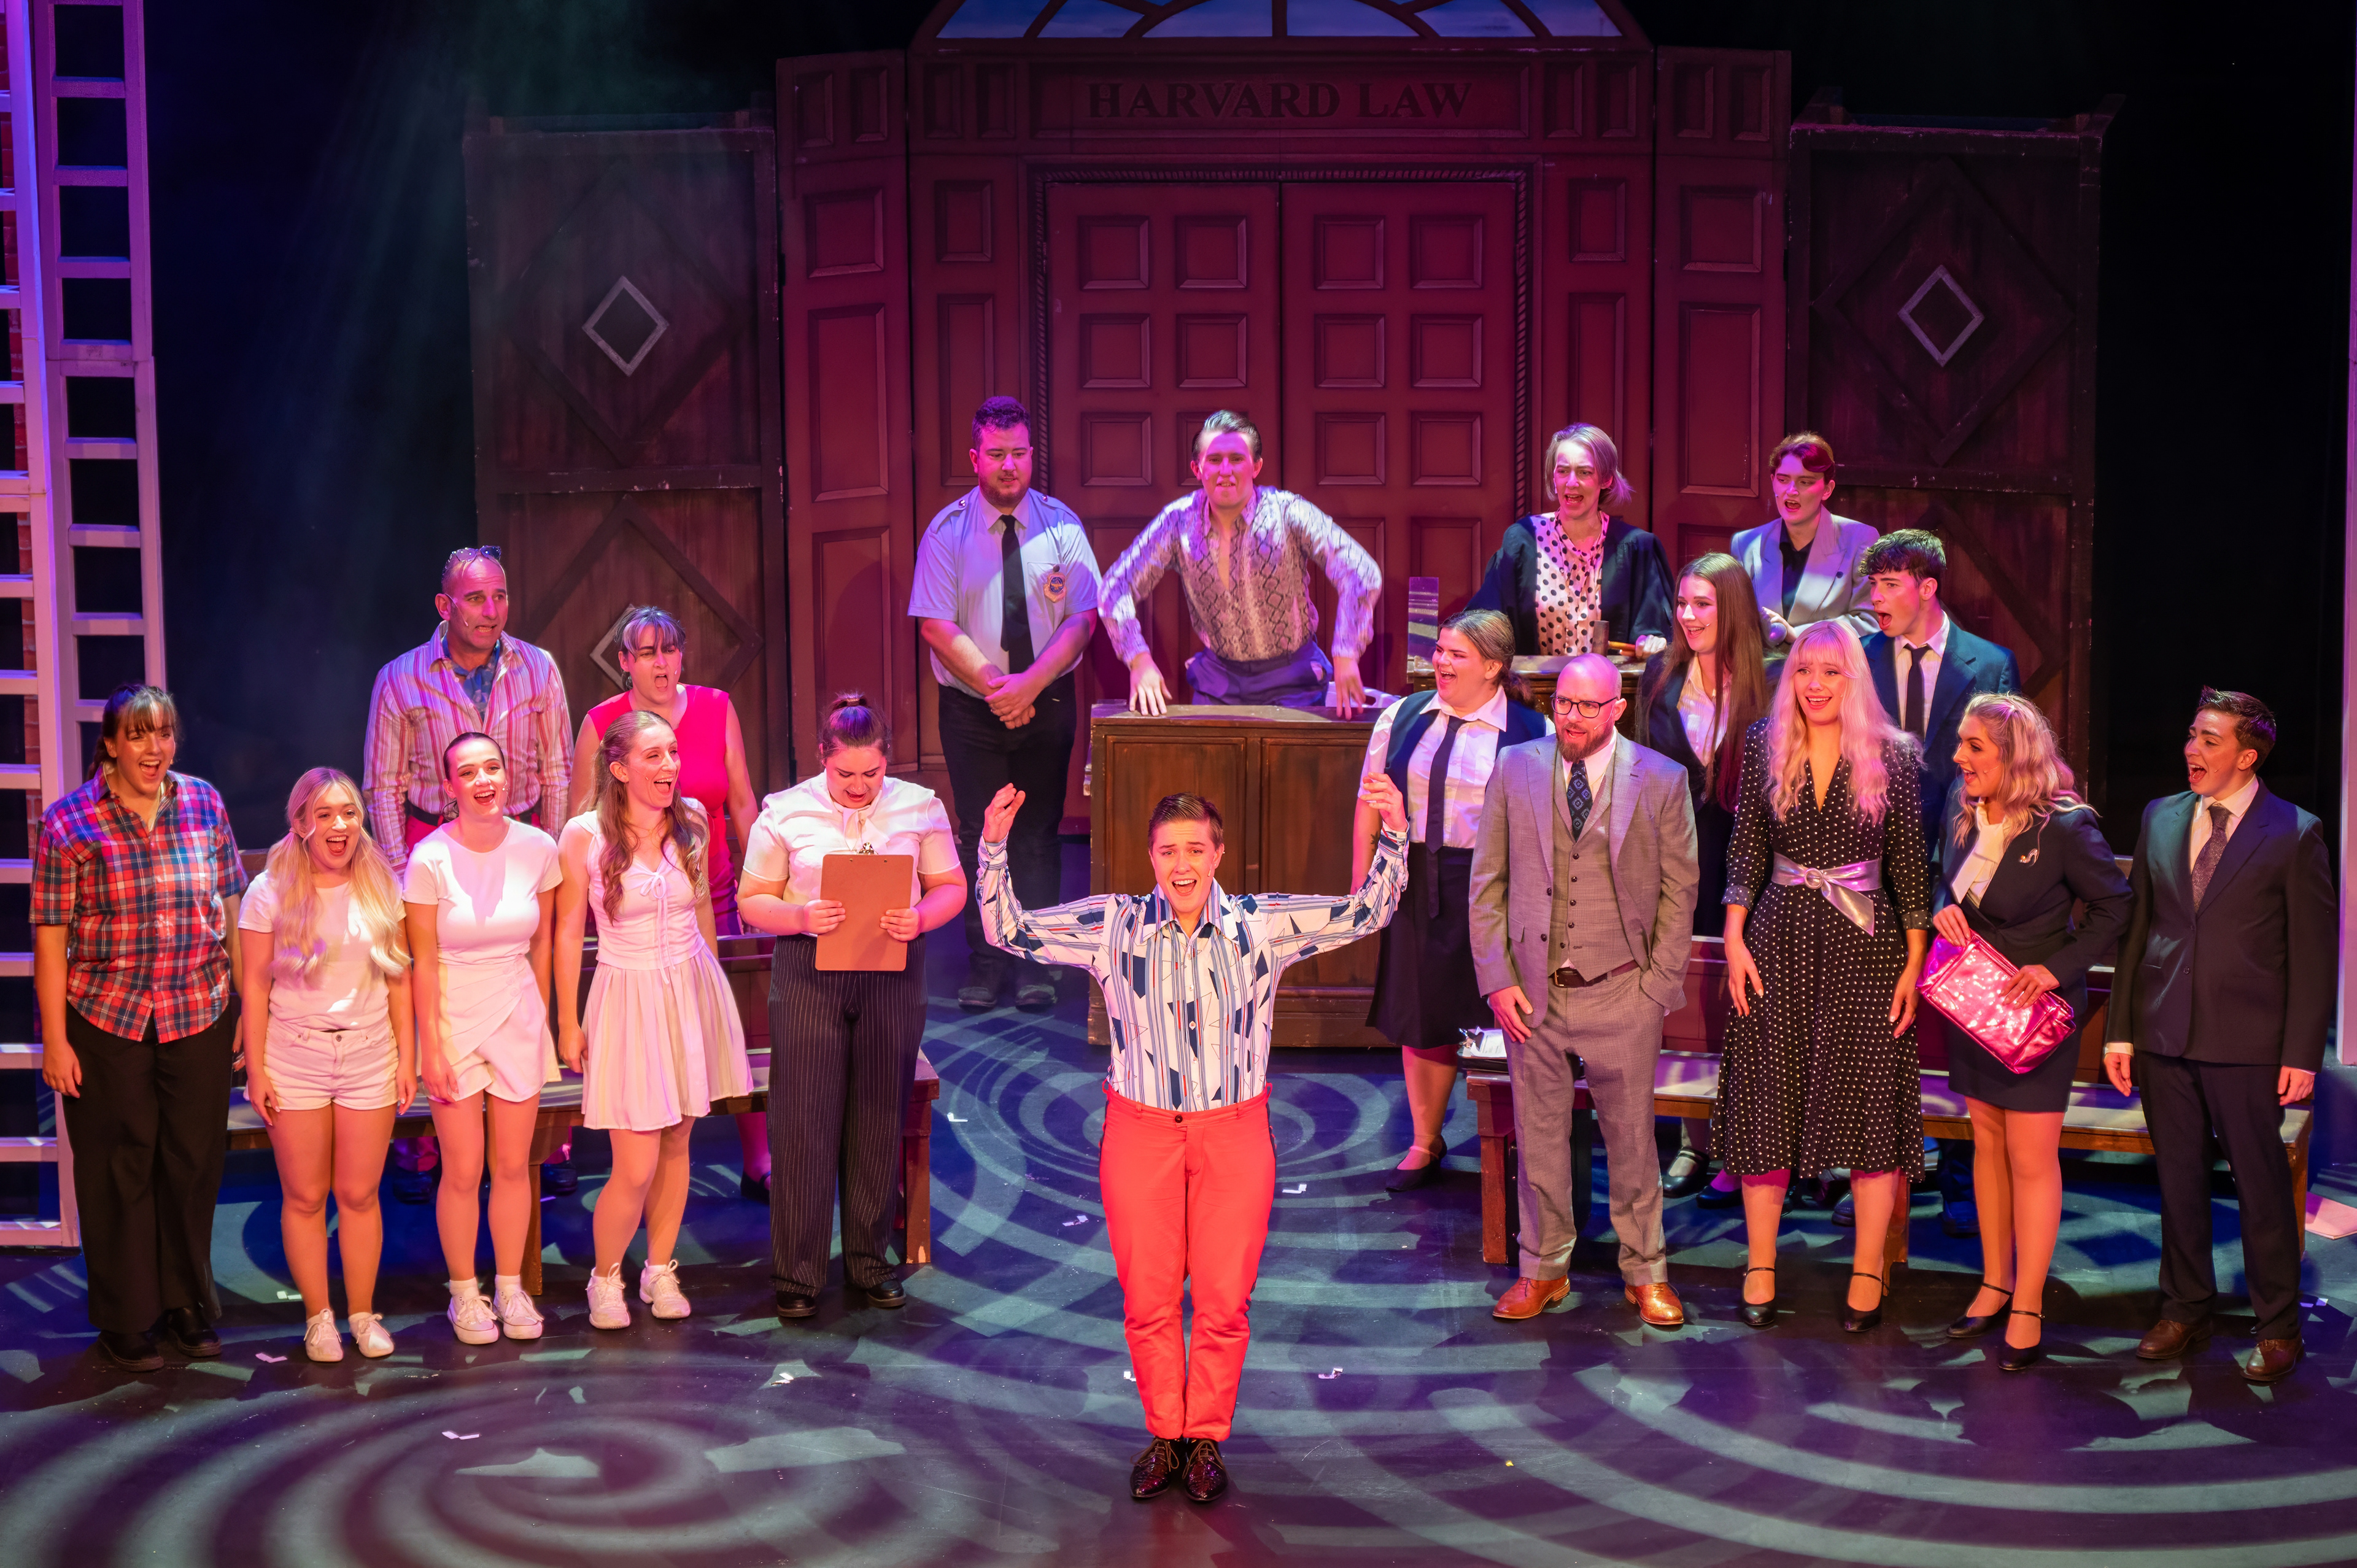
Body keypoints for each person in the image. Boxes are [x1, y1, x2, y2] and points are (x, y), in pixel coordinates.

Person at [979, 779, 1409, 1505]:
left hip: (1233, 1133)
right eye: (1168, 851)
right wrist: (994, 847)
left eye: (1195, 850)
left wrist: (1393, 832)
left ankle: (1204, 1434)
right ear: (1151, 856)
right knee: (1148, 1298)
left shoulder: (1260, 924)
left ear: (1218, 854)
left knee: (1222, 1300)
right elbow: (1009, 931)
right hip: (1140, 1133)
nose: (1182, 864)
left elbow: (1367, 910)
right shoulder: (1114, 923)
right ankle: (1166, 1433)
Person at [2106, 689, 2334, 1385]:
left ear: (2247, 754)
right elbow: (2139, 930)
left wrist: (2301, 1053)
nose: (2191, 750)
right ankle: (2185, 1308)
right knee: (2177, 1183)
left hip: (2248, 1042)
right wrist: (2121, 1033)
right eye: (2192, 735)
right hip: (2164, 1034)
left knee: (2261, 1189)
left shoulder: (2294, 831)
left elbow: (2314, 954)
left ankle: (2278, 1325)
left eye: (2209, 740)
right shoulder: (2162, 815)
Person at [1468, 654, 1699, 1327]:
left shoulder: (1662, 779)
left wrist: (1656, 988)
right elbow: (1486, 882)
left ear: (1617, 709)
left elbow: (1680, 891)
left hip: (1624, 990)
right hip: (1534, 995)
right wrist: (1498, 978)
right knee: (1540, 1139)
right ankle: (1542, 1269)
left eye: (1587, 706)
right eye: (1564, 703)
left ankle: (1646, 1272)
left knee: (1632, 1143)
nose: (1572, 717)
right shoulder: (1515, 768)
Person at [1715, 619, 1930, 1332]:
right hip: (1778, 939)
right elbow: (1746, 848)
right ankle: (1761, 1263)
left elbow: (1910, 867)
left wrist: (1914, 962)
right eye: (1804, 670)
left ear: (1853, 679)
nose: (1814, 684)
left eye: (1831, 671)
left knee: (1869, 1105)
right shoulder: (1764, 742)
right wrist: (1734, 936)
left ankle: (1868, 1266)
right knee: (1768, 1098)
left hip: (1866, 946)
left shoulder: (1894, 755)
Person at [34, 685, 246, 1373]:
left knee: (192, 1160)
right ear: (110, 744)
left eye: (165, 733)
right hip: (107, 1012)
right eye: (139, 734)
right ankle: (126, 1315)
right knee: (119, 1163)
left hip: (197, 1007)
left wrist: (246, 1004)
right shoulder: (70, 821)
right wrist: (55, 1039)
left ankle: (186, 1303)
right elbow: (51, 939)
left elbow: (232, 905)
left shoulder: (203, 802)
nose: (155, 748)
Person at [738, 694, 967, 1322]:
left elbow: (950, 887)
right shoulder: (786, 811)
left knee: (877, 1115)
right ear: (823, 757)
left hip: (891, 972)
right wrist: (800, 916)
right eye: (846, 774)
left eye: (872, 772)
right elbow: (752, 899)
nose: (860, 786)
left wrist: (921, 917)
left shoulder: (919, 806)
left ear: (887, 760)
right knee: (805, 1120)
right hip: (810, 973)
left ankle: (870, 1260)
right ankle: (798, 1273)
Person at [363, 546, 573, 1202]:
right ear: (445, 604)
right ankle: (425, 1143)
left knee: (525, 968)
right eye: (477, 598)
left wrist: (550, 859)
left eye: (500, 596)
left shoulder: (537, 666)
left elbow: (556, 771)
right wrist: (402, 877)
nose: (491, 610)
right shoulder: (401, 677)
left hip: (516, 837)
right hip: (434, 839)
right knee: (433, 976)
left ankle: (546, 1142)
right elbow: (385, 783)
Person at [1930, 695, 2130, 1372]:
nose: (1959, 757)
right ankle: (1995, 1281)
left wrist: (2057, 968)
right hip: (1976, 1005)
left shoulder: (2065, 825)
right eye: (1961, 743)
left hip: (2035, 1014)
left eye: (1975, 746)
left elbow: (2115, 907)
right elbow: (1943, 876)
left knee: (2031, 1156)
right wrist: (1943, 909)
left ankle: (2029, 1301)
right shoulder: (1961, 806)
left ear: (2013, 754)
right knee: (1985, 1141)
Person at [554, 711, 751, 1330]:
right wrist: (567, 1019)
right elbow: (567, 931)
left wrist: (714, 994)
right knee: (634, 1163)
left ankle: (660, 1267)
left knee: (677, 1143)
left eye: (673, 753)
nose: (670, 765)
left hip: (690, 988)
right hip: (627, 994)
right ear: (619, 768)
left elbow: (702, 907)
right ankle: (605, 1275)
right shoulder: (584, 835)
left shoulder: (691, 819)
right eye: (654, 755)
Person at [571, 604, 769, 1203]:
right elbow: (582, 818)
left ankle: (757, 1155)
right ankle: (639, 1157)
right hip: (632, 906)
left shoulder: (715, 707)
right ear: (625, 662)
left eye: (671, 649)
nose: (661, 662)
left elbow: (742, 801)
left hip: (711, 893)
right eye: (647, 652)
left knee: (735, 1019)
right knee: (646, 1032)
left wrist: (764, 883)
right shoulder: (602, 722)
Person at [910, 396, 1100, 1014]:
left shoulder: (1063, 526)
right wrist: (1000, 684)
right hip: (973, 708)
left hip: (1048, 701)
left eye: (1019, 452)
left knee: (1040, 833)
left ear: (1031, 455)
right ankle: (988, 962)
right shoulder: (947, 531)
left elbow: (1083, 619)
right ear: (975, 458)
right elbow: (935, 624)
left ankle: (1036, 962)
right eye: (997, 454)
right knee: (980, 833)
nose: (1009, 464)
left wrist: (1031, 684)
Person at [1857, 527, 2019, 1238]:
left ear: (1927, 588)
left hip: (1958, 866)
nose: (1877, 598)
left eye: (1890, 585)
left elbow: (2002, 772)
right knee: (1876, 1021)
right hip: (1872, 867)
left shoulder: (1991, 663)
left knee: (1960, 1018)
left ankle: (1958, 1178)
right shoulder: (1859, 657)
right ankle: (1876, 1170)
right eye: (1873, 585)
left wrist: (1965, 869)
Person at [1353, 608, 1549, 1189]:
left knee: (1508, 1018)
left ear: (1492, 667)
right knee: (1425, 1014)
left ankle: (1516, 1146)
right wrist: (1364, 889)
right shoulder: (1401, 717)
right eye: (1439, 650)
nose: (1440, 661)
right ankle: (1425, 1140)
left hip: (1499, 884)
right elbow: (1368, 804)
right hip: (1418, 877)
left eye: (1456, 654)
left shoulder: (1533, 730)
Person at [238, 768, 418, 1363]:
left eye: (349, 812)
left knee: (360, 1194)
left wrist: (408, 1058)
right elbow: (255, 985)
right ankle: (319, 1319)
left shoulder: (380, 881)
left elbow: (399, 978)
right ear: (301, 823)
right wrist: (257, 1071)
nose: (340, 825)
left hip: (370, 1052)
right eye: (325, 814)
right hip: (296, 1055)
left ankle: (362, 1314)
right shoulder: (270, 889)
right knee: (306, 1195)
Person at [403, 732, 562, 1345]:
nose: (483, 780)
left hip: (517, 1010)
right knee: (463, 1168)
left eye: (492, 767)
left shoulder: (538, 847)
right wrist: (432, 1046)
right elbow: (422, 960)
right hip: (454, 1018)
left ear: (507, 773)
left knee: (514, 1165)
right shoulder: (430, 857)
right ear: (449, 786)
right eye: (468, 772)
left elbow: (543, 943)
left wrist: (540, 1019)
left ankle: (511, 1286)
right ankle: (465, 1294)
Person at [1633, 554, 1771, 1203]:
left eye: (1703, 604)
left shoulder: (1770, 680)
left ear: (1733, 607)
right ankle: (1695, 1142)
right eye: (1682, 604)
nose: (1687, 616)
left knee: (1746, 1006)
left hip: (1750, 866)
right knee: (1684, 1000)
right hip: (1674, 865)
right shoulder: (1659, 678)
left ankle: (1748, 1143)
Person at [1104, 409, 1382, 714]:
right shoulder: (1178, 522)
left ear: (1256, 466)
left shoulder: (1288, 512)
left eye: (1237, 459)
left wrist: (1346, 652)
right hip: (1218, 682)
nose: (1226, 470)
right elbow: (1115, 587)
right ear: (1197, 468)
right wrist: (1138, 658)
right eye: (1214, 460)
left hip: (1292, 683)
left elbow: (1361, 571)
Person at [1468, 424, 1672, 658]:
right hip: (1535, 680)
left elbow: (1653, 632)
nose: (1572, 482)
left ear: (1606, 479)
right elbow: (1488, 621)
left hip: (1608, 681)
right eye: (1563, 471)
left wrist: (1649, 641)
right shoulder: (1524, 540)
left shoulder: (1636, 548)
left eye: (1585, 472)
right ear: (1553, 477)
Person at [1729, 432, 1879, 647]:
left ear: (1827, 489)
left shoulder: (1860, 539)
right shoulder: (1745, 543)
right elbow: (1736, 622)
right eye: (1783, 480)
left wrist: (1798, 634)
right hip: (1761, 666)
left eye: (1805, 482)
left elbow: (1869, 621)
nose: (1791, 491)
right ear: (1773, 482)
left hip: (1827, 664)